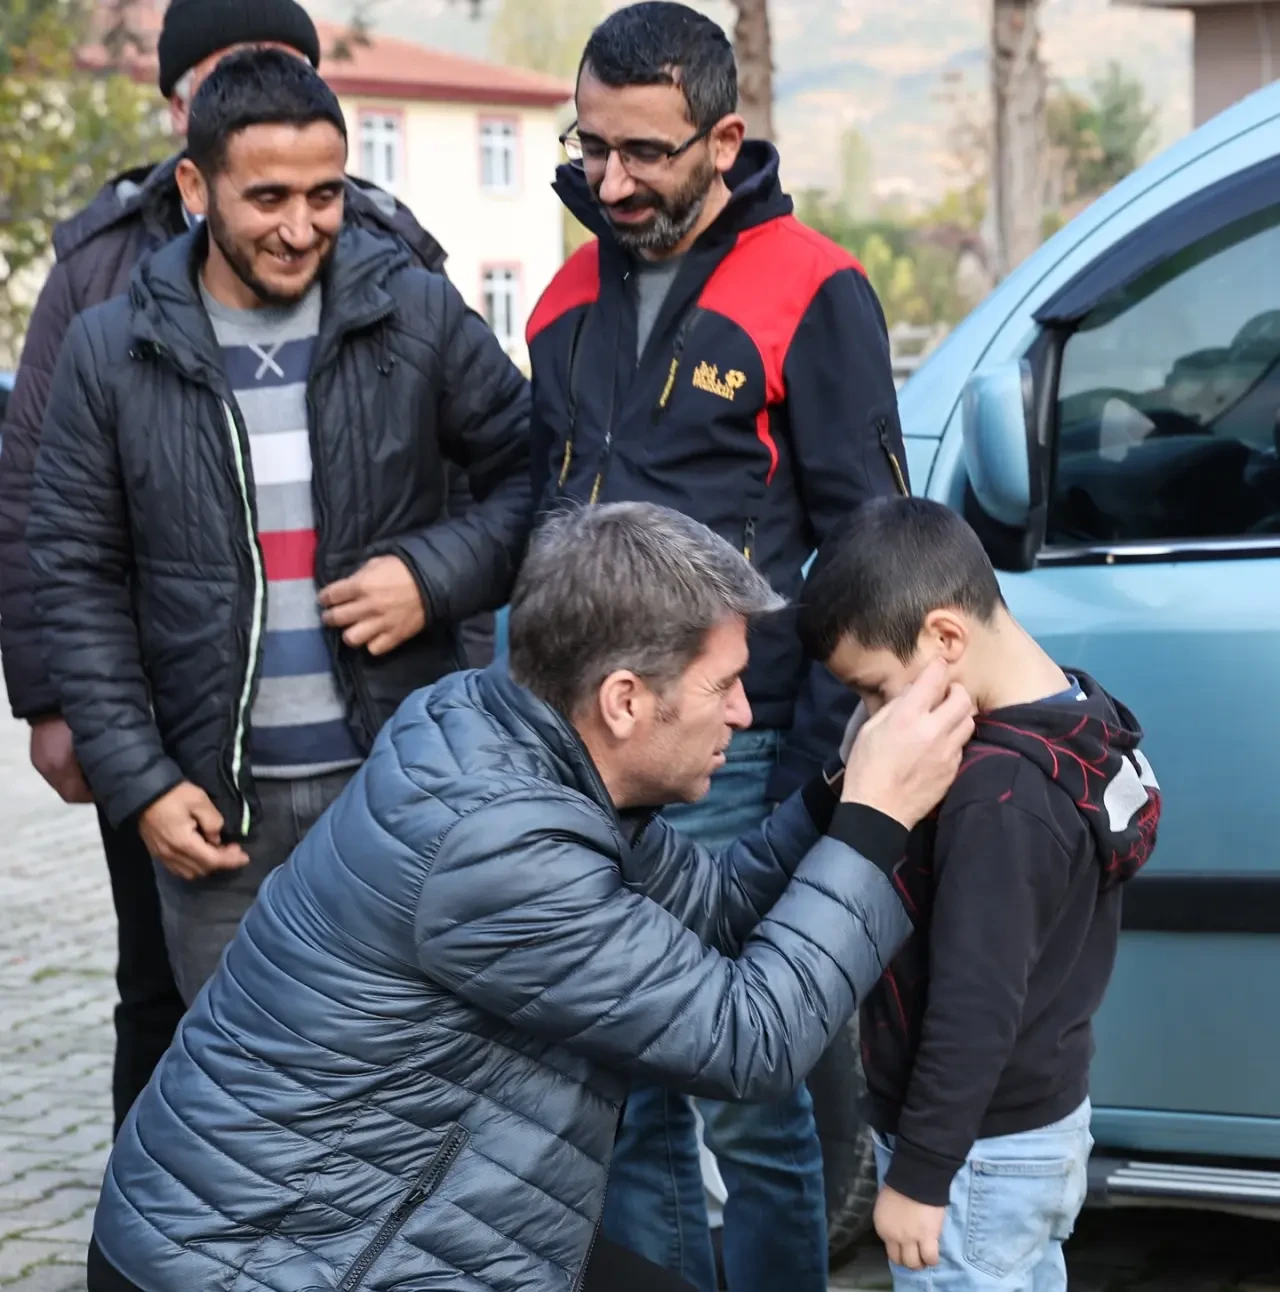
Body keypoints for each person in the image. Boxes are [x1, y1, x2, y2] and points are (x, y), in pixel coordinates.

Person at [84, 500, 976, 1292]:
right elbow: (749, 1040)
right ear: (625, 700)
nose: (744, 714)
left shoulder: (524, 743)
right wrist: (873, 821)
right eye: (723, 686)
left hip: (380, 1209)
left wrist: (835, 784)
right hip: (262, 1258)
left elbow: (716, 912)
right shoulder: (501, 846)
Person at [0, 0, 452, 1137]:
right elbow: (41, 515)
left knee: (393, 1018)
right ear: (181, 121)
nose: (298, 220)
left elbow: (475, 475)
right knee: (167, 996)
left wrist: (447, 619)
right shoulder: (99, 274)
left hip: (367, 730)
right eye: (231, 76)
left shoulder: (390, 256)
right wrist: (55, 703)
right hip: (165, 724)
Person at [523, 4, 911, 1287]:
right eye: (591, 149)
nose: (610, 181)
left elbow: (870, 543)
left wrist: (821, 754)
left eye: (643, 152)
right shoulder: (562, 298)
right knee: (620, 1095)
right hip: (584, 751)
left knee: (755, 1102)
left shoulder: (816, 284)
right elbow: (543, 503)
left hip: (737, 751)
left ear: (723, 137)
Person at [26, 50, 531, 1010]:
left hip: (398, 794)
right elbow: (77, 575)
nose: (302, 228)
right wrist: (139, 782)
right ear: (193, 186)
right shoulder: (109, 348)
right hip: (216, 818)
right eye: (267, 198)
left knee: (405, 1087)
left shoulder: (416, 314)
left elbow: (536, 471)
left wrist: (434, 574)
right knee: (245, 1112)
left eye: (325, 194)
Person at [798, 497, 1163, 1289]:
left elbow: (975, 1004)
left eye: (873, 691)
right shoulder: (1075, 717)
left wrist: (922, 1177)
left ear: (945, 638)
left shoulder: (995, 799)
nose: (866, 721)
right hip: (1040, 1126)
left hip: (971, 1162)